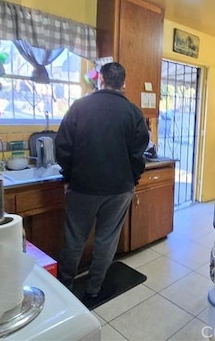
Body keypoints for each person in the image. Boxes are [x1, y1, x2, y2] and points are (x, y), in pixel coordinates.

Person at [55, 62, 150, 300]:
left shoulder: (79, 106)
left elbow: (62, 146)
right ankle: (93, 289)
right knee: (107, 240)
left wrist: (68, 175)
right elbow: (139, 153)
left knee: (74, 239)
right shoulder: (133, 112)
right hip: (119, 189)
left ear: (100, 80)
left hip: (83, 187)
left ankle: (64, 288)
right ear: (124, 84)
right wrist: (133, 178)